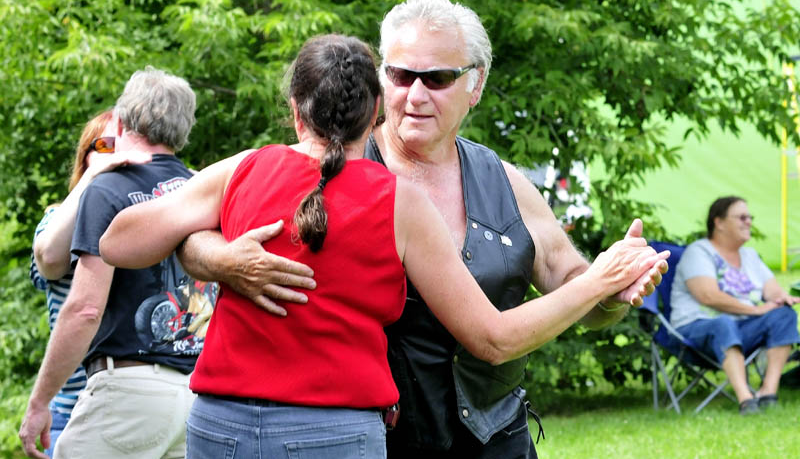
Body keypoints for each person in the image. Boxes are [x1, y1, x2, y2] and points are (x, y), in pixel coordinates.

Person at [98, 34, 668, 459]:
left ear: (294, 108)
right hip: (333, 433)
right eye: (402, 77)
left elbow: (117, 241)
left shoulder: (245, 170)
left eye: (438, 78)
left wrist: (204, 251)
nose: (418, 94)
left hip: (218, 426)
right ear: (375, 112)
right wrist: (600, 278)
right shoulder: (397, 202)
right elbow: (493, 340)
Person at [19, 67, 216, 459]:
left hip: (128, 392)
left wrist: (40, 401)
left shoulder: (110, 188)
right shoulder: (202, 188)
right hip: (197, 395)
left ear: (123, 121)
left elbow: (85, 309)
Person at [28, 109, 152, 457]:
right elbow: (50, 260)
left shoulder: (145, 216)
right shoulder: (56, 218)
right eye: (104, 145)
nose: (116, 155)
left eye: (123, 146)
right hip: (72, 400)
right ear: (86, 156)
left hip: (134, 399)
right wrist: (95, 176)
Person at [670, 196, 800, 415]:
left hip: (741, 329)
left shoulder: (749, 256)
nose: (748, 221)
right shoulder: (698, 252)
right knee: (723, 323)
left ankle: (768, 392)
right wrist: (755, 310)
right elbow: (708, 296)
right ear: (718, 222)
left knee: (784, 314)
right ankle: (746, 400)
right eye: (741, 217)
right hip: (696, 331)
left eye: (750, 217)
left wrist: (781, 298)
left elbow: (772, 290)